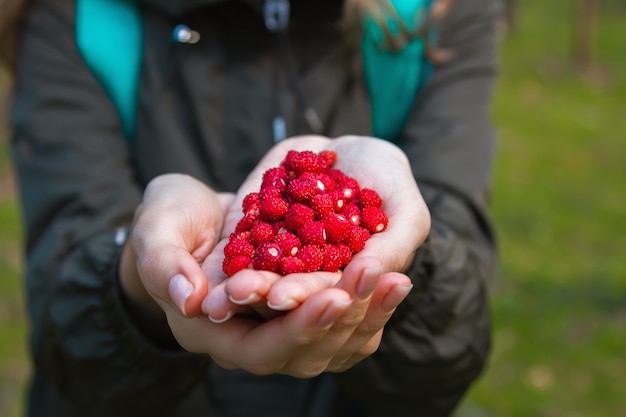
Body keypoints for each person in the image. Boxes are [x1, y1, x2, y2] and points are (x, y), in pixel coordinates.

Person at [1, 0, 501, 416]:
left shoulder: (433, 14)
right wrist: (137, 276)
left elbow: (455, 351)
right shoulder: (80, 17)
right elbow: (64, 332)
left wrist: (412, 255)